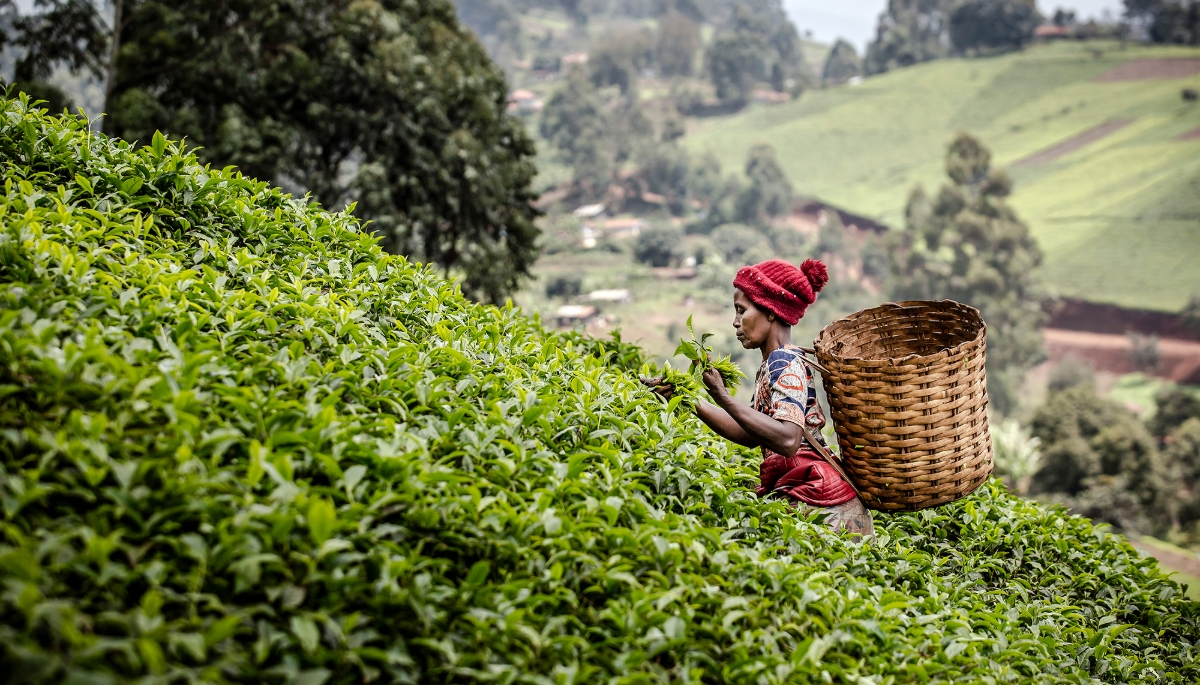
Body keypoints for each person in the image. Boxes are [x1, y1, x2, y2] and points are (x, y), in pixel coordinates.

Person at [645, 258, 874, 541]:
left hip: (821, 499)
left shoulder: (784, 362)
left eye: (742, 310)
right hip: (809, 491)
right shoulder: (771, 365)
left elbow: (788, 440)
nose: (735, 321)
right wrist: (686, 398)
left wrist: (722, 396)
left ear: (769, 311)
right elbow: (753, 434)